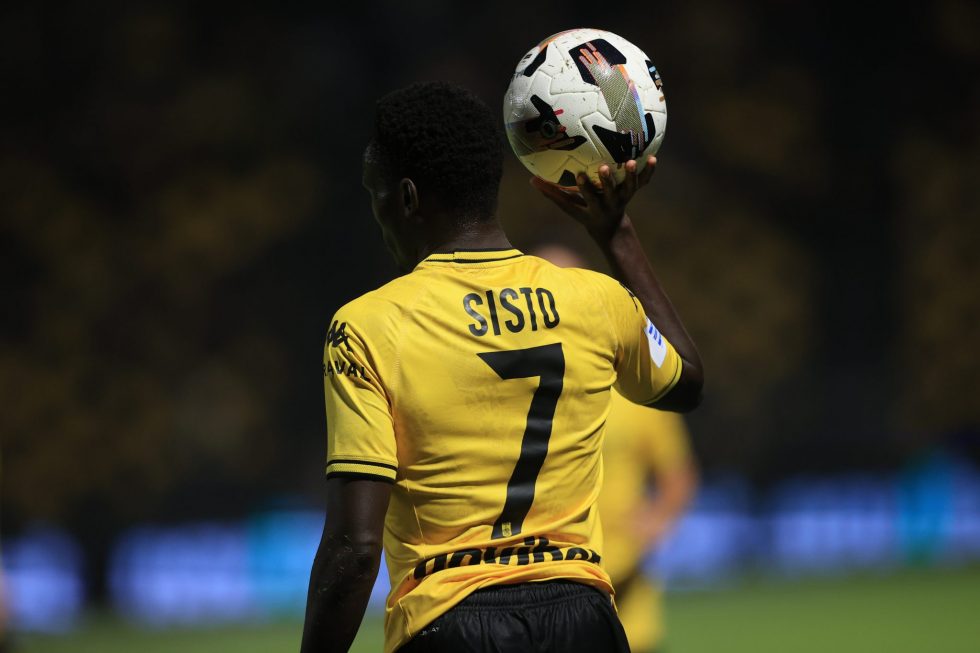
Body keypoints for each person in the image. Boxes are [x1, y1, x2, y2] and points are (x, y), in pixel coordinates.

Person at [300, 81, 703, 653]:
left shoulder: (368, 326)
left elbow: (355, 548)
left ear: (407, 198)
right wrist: (616, 235)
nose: (377, 211)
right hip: (585, 618)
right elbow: (686, 381)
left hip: (450, 618)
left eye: (376, 193)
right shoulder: (593, 300)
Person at [534, 243, 700, 653]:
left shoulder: (632, 386)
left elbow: (678, 474)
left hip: (624, 585)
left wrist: (654, 523)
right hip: (544, 582)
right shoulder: (510, 386)